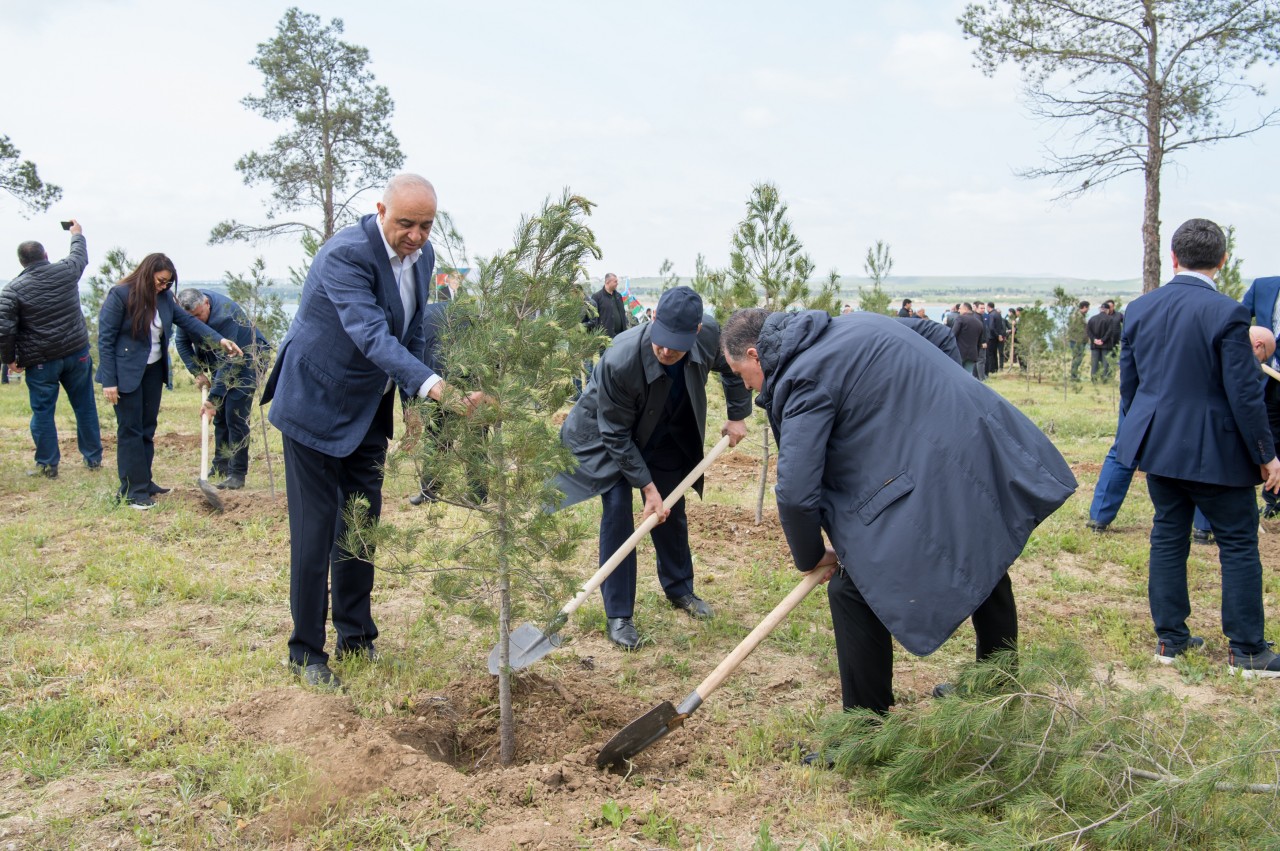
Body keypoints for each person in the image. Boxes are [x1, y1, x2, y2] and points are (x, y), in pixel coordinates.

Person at [720, 308, 1075, 717]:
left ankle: (864, 728)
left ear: (755, 354)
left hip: (942, 461)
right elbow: (938, 336)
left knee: (851, 590)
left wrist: (811, 556)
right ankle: (998, 687)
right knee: (983, 548)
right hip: (976, 437)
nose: (746, 386)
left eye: (741, 373)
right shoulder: (852, 323)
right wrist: (930, 409)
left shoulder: (803, 377)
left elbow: (796, 492)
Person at [261, 174, 483, 690]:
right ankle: (306, 652)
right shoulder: (346, 255)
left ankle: (357, 638)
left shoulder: (422, 258)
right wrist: (439, 390)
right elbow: (371, 335)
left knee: (361, 525)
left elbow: (413, 333)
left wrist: (413, 401)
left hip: (367, 410)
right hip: (314, 405)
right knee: (316, 532)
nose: (416, 236)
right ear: (381, 210)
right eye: (406, 223)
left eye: (426, 225)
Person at [1115, 218, 1280, 677]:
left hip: (1160, 444)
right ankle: (1247, 651)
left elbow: (1130, 385)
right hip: (1216, 451)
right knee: (1239, 544)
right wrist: (1266, 454)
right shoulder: (1228, 313)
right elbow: (1244, 394)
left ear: (1173, 257)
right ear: (1222, 260)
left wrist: (1146, 430)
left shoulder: (1140, 307)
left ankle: (1170, 641)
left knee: (1168, 536)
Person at [554, 286, 751, 650]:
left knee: (671, 507)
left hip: (664, 428)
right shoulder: (620, 357)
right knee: (618, 511)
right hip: (608, 436)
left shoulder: (709, 335)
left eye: (676, 346)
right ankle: (619, 614)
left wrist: (737, 414)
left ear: (696, 332)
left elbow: (733, 365)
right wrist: (647, 488)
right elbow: (615, 433)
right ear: (654, 318)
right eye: (661, 341)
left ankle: (680, 589)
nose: (665, 351)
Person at [1087, 325, 1275, 539]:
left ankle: (1099, 516)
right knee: (1206, 453)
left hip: (1146, 395)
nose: (1261, 362)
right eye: (1263, 357)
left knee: (1125, 450)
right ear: (1258, 345)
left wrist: (1133, 411)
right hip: (1183, 403)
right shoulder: (1225, 332)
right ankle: (1202, 528)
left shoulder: (1158, 318)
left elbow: (1130, 365)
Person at [97, 254, 242, 509]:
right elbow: (105, 339)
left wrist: (220, 340)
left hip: (153, 371)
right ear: (147, 273)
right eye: (161, 281)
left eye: (168, 282)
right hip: (125, 373)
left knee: (147, 427)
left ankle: (144, 482)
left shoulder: (164, 298)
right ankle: (132, 492)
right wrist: (109, 380)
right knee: (130, 430)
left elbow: (189, 322)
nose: (164, 286)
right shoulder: (120, 295)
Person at [0, 221, 102, 477]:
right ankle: (93, 458)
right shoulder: (66, 271)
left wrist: (9, 359)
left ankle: (47, 464)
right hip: (77, 353)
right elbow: (79, 255)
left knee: (43, 411)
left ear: (22, 262)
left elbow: (5, 330)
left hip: (41, 361)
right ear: (45, 255)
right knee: (85, 406)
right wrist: (76, 233)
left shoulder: (12, 290)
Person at [174, 288, 271, 490]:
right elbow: (181, 342)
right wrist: (197, 371)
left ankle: (237, 473)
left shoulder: (226, 316)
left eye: (199, 315)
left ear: (207, 304)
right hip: (220, 360)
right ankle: (221, 465)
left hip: (248, 358)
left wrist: (212, 400)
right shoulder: (186, 314)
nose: (196, 322)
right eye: (192, 318)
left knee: (235, 413)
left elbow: (231, 361)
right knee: (220, 417)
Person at [1241, 274, 1280, 519]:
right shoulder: (1263, 286)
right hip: (1269, 379)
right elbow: (1237, 322)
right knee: (1272, 437)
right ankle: (1273, 500)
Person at [1087, 300, 1122, 382]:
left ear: (1100, 309)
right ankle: (1105, 379)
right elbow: (1109, 331)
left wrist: (1094, 339)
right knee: (1105, 363)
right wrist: (1102, 340)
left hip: (1095, 345)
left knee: (1094, 363)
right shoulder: (1110, 319)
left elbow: (1088, 331)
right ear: (1107, 310)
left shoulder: (1092, 318)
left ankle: (1094, 379)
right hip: (1106, 345)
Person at [951, 302, 984, 378]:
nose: (958, 310)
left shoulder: (960, 319)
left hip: (959, 352)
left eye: (960, 308)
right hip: (973, 353)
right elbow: (979, 342)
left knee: (957, 375)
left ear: (965, 309)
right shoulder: (979, 323)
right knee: (968, 375)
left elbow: (953, 335)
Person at [1067, 301, 1090, 381]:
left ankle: (1074, 375)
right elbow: (1072, 327)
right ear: (1084, 307)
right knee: (1077, 358)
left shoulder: (1081, 316)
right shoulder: (1077, 316)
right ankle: (1073, 376)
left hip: (1080, 340)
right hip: (1077, 340)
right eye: (1088, 308)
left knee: (1078, 357)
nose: (1088, 309)